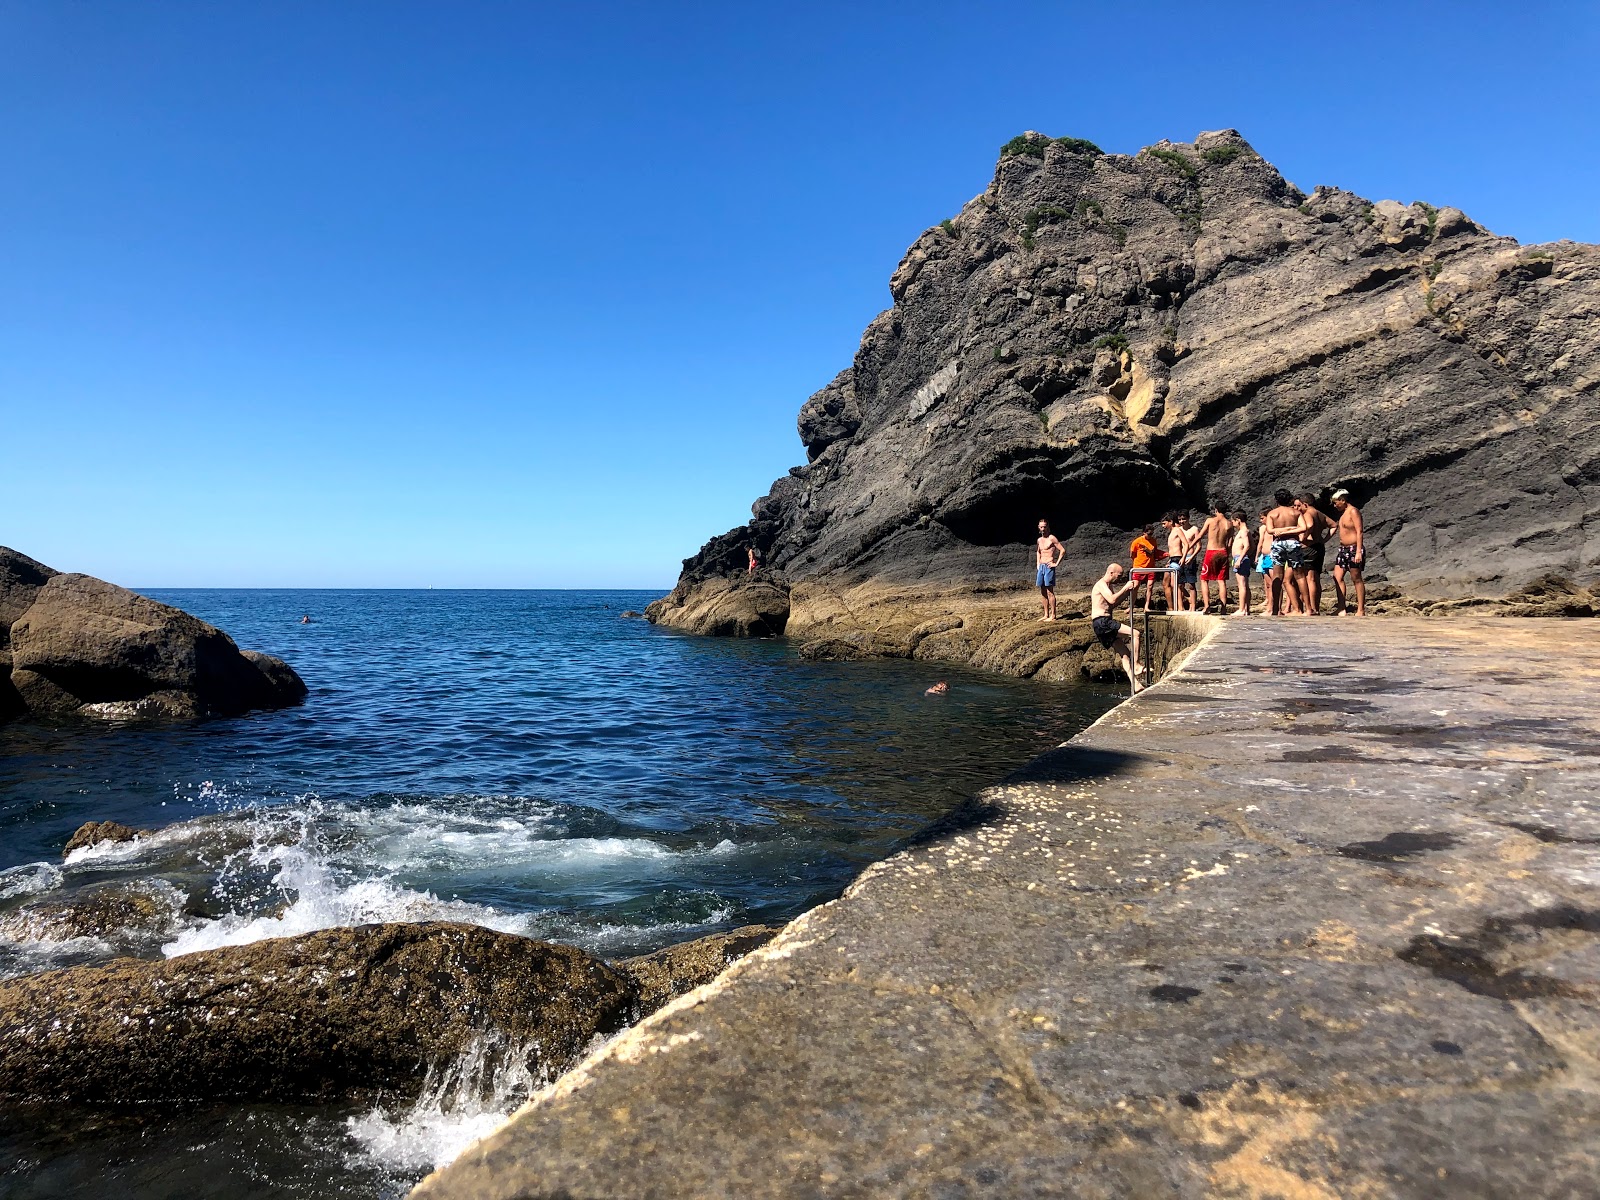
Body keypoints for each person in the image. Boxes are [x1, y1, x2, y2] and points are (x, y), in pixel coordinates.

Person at [1091, 563, 1147, 691]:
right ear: (1111, 573)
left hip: (1102, 623)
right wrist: (1125, 588)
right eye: (1119, 575)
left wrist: (1127, 592)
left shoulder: (1109, 586)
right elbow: (1111, 600)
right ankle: (1137, 665)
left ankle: (1135, 684)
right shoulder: (1101, 584)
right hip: (1102, 622)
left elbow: (1112, 604)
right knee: (1136, 634)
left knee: (1125, 654)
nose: (1120, 578)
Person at [1296, 494, 1337, 616]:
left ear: (1305, 504)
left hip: (1309, 547)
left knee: (1310, 578)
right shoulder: (1319, 513)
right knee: (1315, 578)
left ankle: (1312, 608)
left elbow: (1309, 525)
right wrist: (1324, 539)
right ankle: (1316, 607)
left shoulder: (1308, 513)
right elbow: (1334, 525)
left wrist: (1303, 537)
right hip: (1319, 547)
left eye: (1300, 505)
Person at [1331, 489, 1367, 616]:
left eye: (1336, 503)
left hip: (1353, 548)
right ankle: (1342, 608)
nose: (1335, 506)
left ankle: (1361, 609)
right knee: (1337, 576)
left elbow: (1359, 531)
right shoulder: (1343, 514)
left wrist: (1358, 552)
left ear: (1343, 500)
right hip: (1343, 550)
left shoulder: (1353, 511)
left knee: (1356, 578)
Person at [1198, 501, 1232, 614]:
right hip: (1223, 551)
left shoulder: (1210, 521)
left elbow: (1200, 535)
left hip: (1212, 551)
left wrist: (1189, 547)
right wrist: (1228, 554)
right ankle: (1223, 608)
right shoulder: (1229, 523)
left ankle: (1207, 606)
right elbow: (1230, 542)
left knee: (1204, 580)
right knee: (1221, 581)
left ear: (1216, 510)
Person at [1035, 519, 1065, 621]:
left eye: (1045, 527)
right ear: (1039, 528)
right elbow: (1038, 551)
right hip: (1041, 567)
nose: (1043, 529)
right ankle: (1046, 614)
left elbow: (1062, 550)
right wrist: (1038, 563)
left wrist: (1056, 564)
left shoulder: (1052, 538)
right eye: (1041, 527)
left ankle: (1053, 616)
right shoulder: (1039, 540)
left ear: (1048, 527)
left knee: (1049, 591)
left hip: (1049, 567)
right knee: (1042, 591)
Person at [1173, 512, 1201, 612]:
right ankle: (1181, 607)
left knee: (1191, 584)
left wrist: (1192, 557)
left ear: (1188, 518)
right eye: (1180, 520)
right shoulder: (1178, 530)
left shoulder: (1194, 529)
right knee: (1180, 584)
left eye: (1183, 519)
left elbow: (1199, 546)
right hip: (1180, 559)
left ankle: (1192, 606)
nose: (1181, 521)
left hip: (1190, 558)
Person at [1129, 525, 1160, 612]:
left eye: (1152, 534)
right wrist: (1138, 561)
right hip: (1139, 567)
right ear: (1144, 532)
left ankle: (1146, 606)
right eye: (1149, 534)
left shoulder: (1153, 541)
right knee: (1135, 587)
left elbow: (1155, 553)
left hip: (1151, 567)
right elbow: (1132, 554)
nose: (1150, 536)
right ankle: (1131, 606)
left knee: (1150, 586)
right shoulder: (1137, 541)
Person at [1231, 510, 1254, 617]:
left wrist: (1240, 559)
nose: (1232, 523)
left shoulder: (1243, 531)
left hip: (1240, 558)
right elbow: (1252, 546)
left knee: (1242, 585)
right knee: (1245, 585)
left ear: (1238, 520)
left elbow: (1248, 545)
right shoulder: (1245, 531)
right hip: (1241, 558)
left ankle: (1241, 609)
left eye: (1233, 521)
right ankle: (1246, 609)